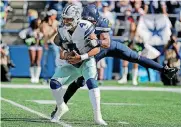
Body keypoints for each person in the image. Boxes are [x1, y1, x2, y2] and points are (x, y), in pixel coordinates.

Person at [51, 4, 179, 122]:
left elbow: (106, 43)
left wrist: (98, 42)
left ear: (96, 19)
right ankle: (60, 107)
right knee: (80, 81)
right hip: (90, 51)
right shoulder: (76, 25)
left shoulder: (101, 22)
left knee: (134, 57)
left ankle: (164, 70)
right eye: (87, 20)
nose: (88, 23)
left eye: (92, 21)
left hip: (103, 48)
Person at [50, 4, 107, 125]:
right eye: (64, 18)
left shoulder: (85, 26)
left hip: (86, 61)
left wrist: (81, 57)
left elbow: (97, 49)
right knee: (54, 83)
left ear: (76, 17)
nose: (66, 21)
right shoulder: (62, 30)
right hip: (73, 63)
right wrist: (67, 55)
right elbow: (61, 52)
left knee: (92, 82)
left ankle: (98, 116)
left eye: (69, 18)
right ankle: (61, 107)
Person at [19, 18, 43, 83]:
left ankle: (37, 77)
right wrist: (26, 40)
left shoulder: (42, 29)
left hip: (39, 46)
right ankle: (32, 77)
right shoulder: (30, 30)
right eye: (37, 23)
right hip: (32, 46)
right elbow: (21, 34)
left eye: (39, 23)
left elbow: (45, 36)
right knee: (32, 61)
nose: (38, 24)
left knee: (38, 61)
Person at [40, 9, 60, 85]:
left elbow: (57, 34)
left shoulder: (57, 23)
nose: (51, 16)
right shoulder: (44, 23)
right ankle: (45, 78)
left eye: (52, 15)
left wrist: (54, 31)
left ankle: (55, 78)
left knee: (56, 62)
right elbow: (46, 34)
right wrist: (53, 30)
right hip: (46, 44)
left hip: (54, 44)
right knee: (45, 62)